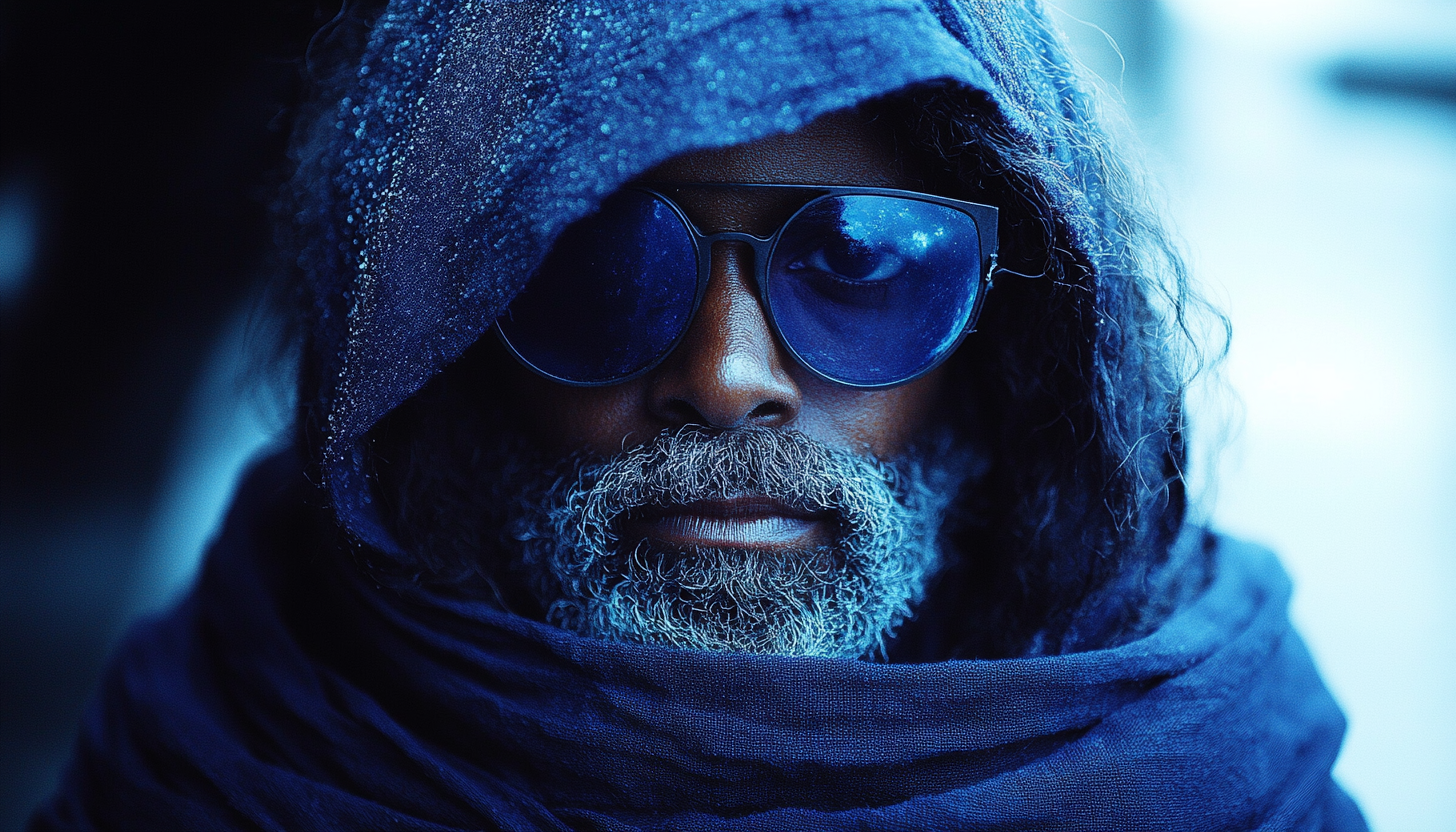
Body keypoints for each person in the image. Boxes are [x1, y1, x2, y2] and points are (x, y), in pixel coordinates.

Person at [32, 1, 1368, 829]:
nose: (728, 377)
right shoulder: (215, 760)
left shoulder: (1223, 770)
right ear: (441, 347)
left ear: (1015, 343)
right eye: (600, 269)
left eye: (864, 261)